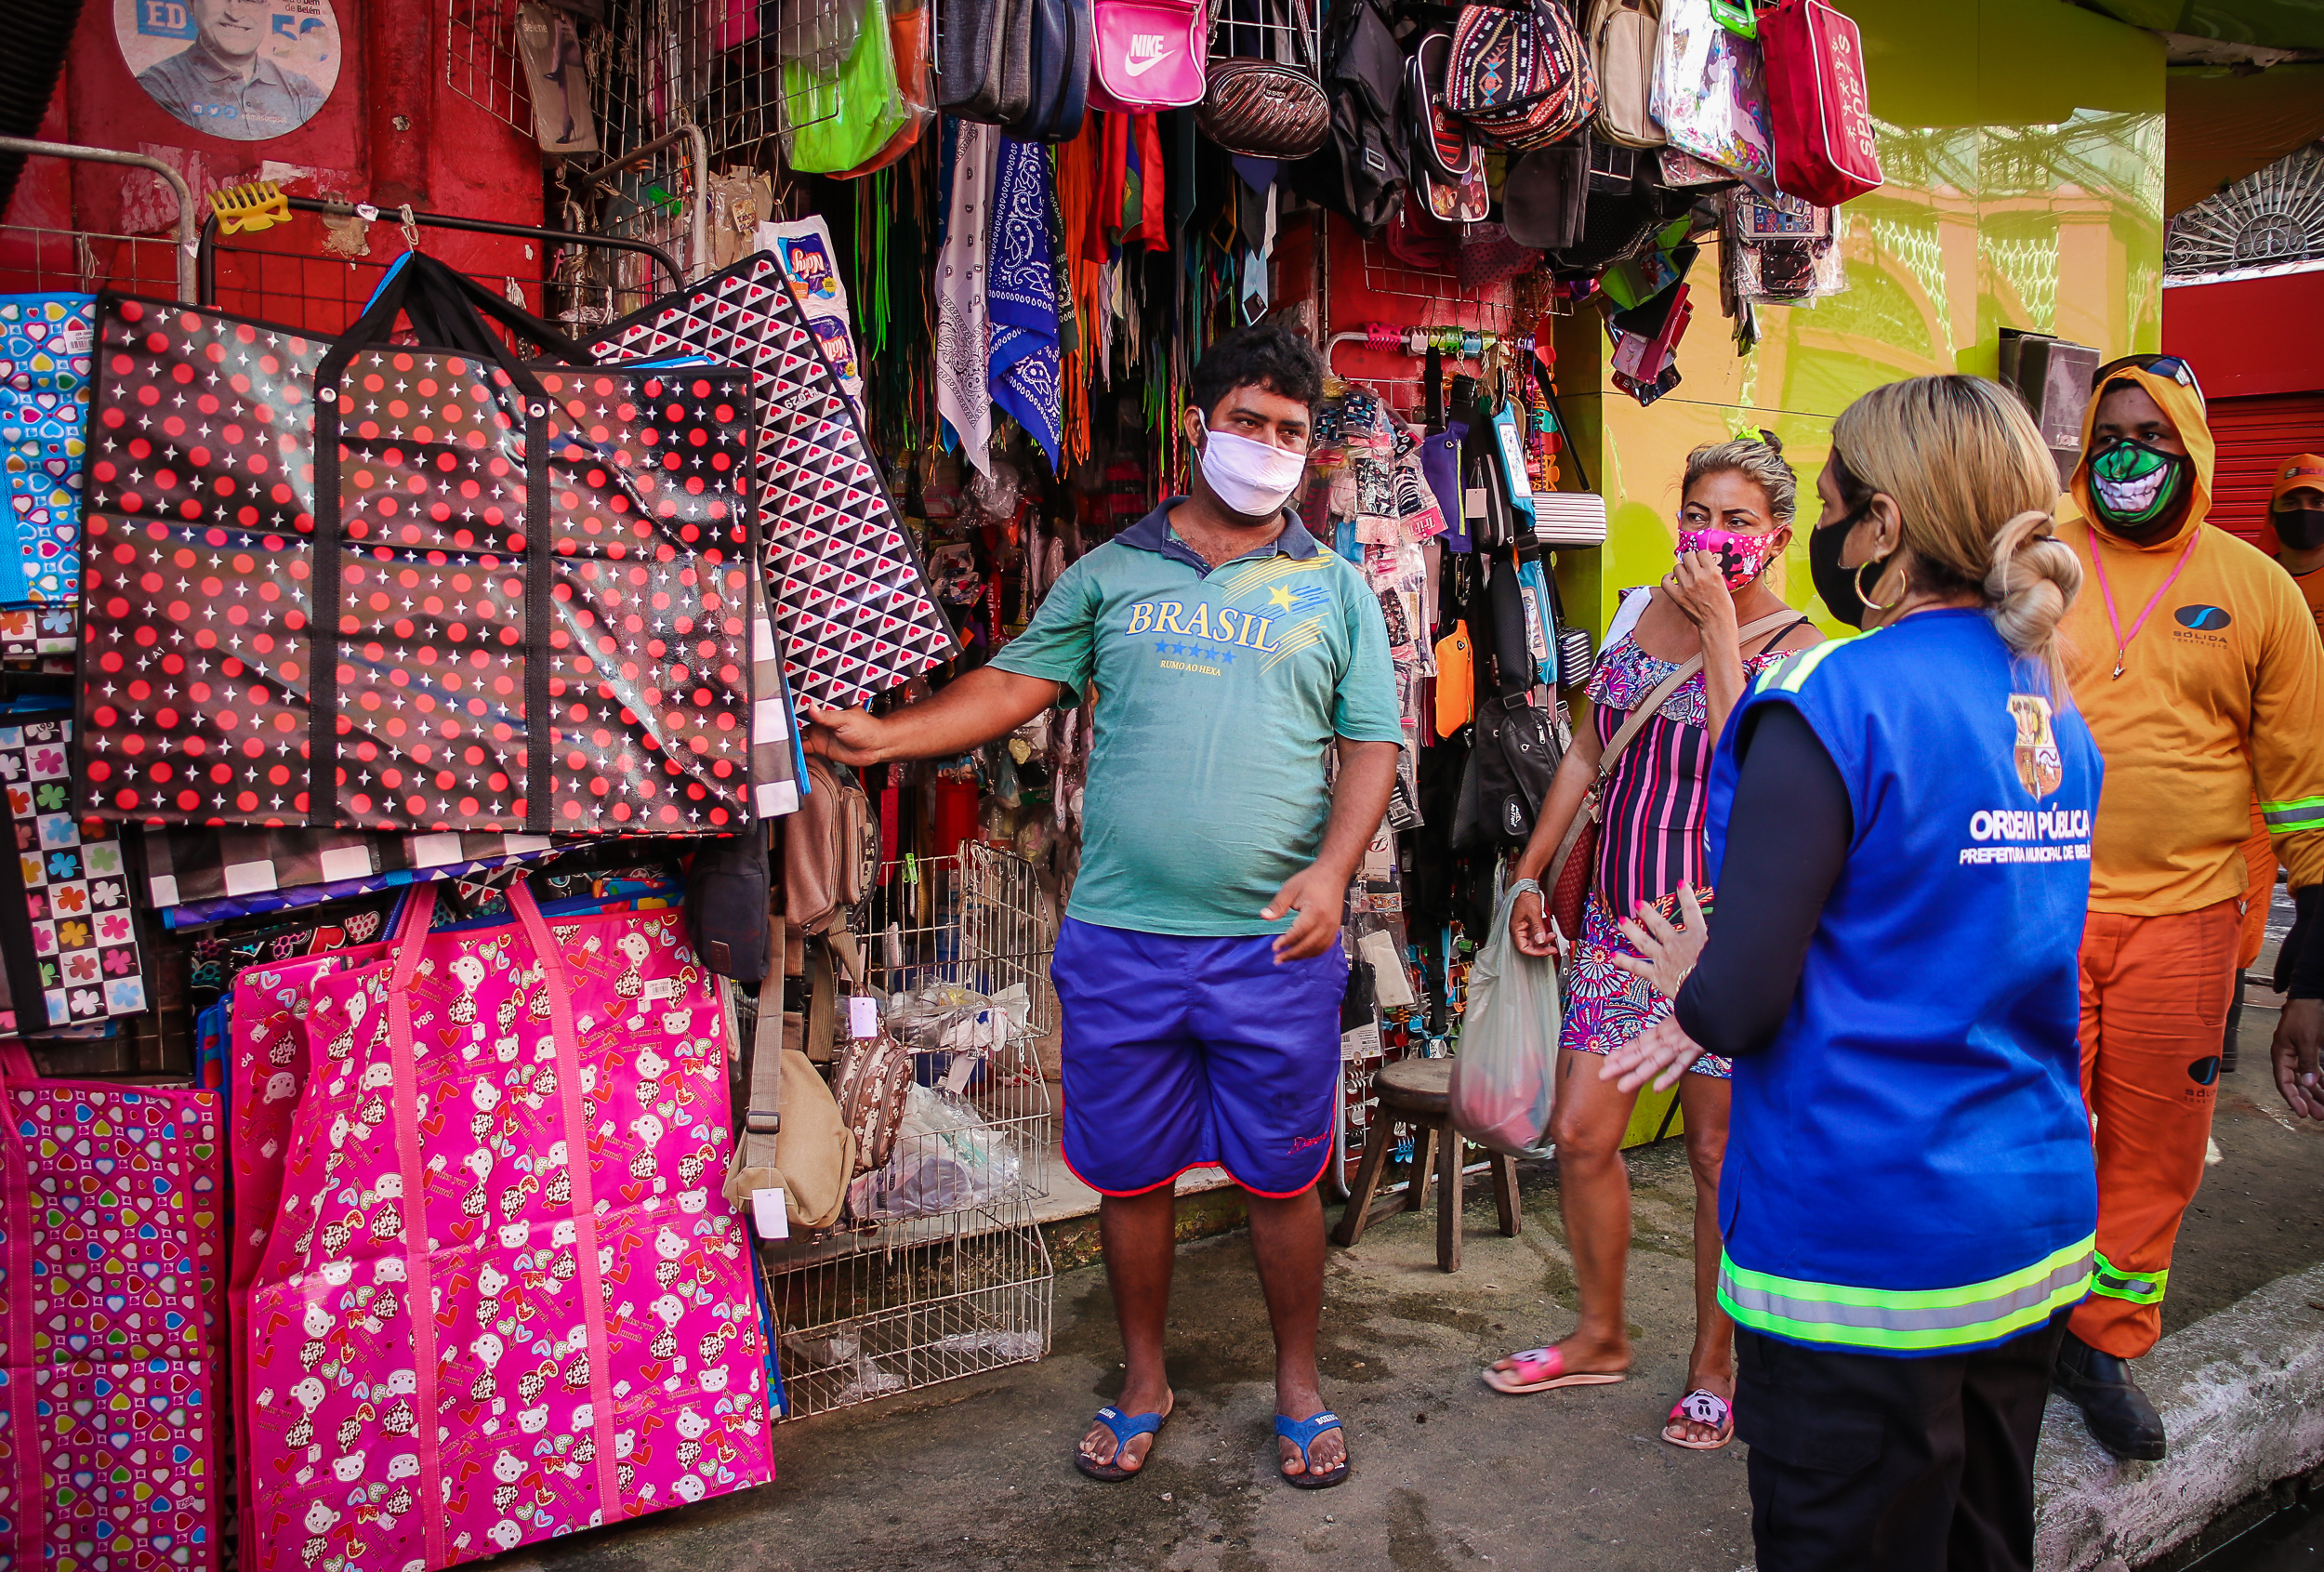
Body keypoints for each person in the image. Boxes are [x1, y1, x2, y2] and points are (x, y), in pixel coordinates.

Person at [805, 323, 1401, 1488]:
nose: (1269, 446)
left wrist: (1332, 871)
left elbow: (1371, 742)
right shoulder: (1111, 571)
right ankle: (1142, 1377)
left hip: (1271, 946)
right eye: (1249, 422)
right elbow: (1012, 683)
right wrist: (885, 734)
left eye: (1290, 431)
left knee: (1281, 1176)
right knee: (1128, 1175)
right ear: (1200, 424)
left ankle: (1298, 1382)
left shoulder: (1334, 589)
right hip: (1122, 938)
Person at [1601, 375, 2102, 1572]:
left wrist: (1687, 976)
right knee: (1983, 1539)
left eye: (1826, 501)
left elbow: (1737, 997)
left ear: (1881, 524)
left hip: (1862, 1244)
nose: (1822, 530)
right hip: (2025, 1221)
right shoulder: (2047, 701)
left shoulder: (1828, 696)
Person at [1482, 436, 1818, 1452]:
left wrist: (1722, 629)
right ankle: (1599, 1332)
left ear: (1778, 536)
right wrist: (1531, 871)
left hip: (1720, 943)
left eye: (1736, 519)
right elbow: (1588, 747)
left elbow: (1750, 769)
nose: (1712, 536)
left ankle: (1713, 1368)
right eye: (1697, 510)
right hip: (1617, 933)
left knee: (1718, 1154)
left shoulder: (1803, 650)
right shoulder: (1634, 611)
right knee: (1582, 1134)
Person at [2047, 360, 2324, 1461]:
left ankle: (2102, 1341)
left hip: (2193, 915)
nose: (2125, 454)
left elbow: (2303, 780)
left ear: (2193, 449)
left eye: (2150, 436)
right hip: (2038, 908)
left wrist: (2314, 963)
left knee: (2159, 1142)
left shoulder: (2256, 588)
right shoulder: (2038, 559)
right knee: (2033, 1132)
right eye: (2108, 431)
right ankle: (2020, 1332)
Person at [2221, 450, 2324, 1071]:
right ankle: (2223, 1037)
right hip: (2263, 779)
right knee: (2243, 910)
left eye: (2316, 502)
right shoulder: (2257, 582)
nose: (2304, 513)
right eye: (2293, 502)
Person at [136, 0, 327, 141]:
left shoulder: (303, 93)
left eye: (251, 0)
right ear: (192, 5)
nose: (235, 13)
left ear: (267, 9)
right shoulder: (158, 86)